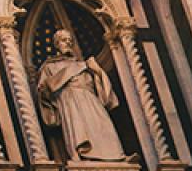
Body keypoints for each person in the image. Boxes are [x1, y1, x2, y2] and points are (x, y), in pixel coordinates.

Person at [34, 26, 127, 162]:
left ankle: (115, 156)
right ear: (57, 44)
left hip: (90, 99)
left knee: (103, 124)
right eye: (64, 40)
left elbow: (103, 92)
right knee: (78, 129)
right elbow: (44, 90)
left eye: (70, 40)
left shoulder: (85, 65)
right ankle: (83, 155)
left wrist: (98, 72)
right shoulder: (50, 67)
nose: (68, 43)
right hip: (70, 100)